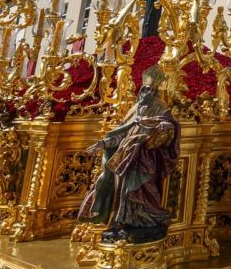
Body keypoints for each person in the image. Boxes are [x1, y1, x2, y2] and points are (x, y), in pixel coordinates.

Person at [77, 66, 180, 242]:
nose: (144, 94)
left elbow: (170, 129)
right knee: (122, 190)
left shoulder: (162, 110)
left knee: (138, 190)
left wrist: (161, 129)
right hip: (125, 156)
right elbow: (121, 133)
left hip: (146, 158)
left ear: (156, 92)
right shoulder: (135, 109)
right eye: (143, 90)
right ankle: (121, 220)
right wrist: (104, 143)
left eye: (149, 90)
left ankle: (144, 218)